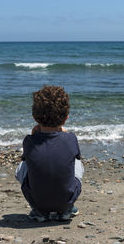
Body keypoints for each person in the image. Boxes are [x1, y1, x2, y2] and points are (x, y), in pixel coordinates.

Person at [15, 85, 84, 222]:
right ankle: (65, 210)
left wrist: (34, 134)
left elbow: (31, 162)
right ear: (66, 118)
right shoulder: (71, 139)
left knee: (22, 167)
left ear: (35, 117)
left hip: (37, 201)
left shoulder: (29, 141)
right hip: (66, 200)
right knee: (77, 163)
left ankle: (41, 212)